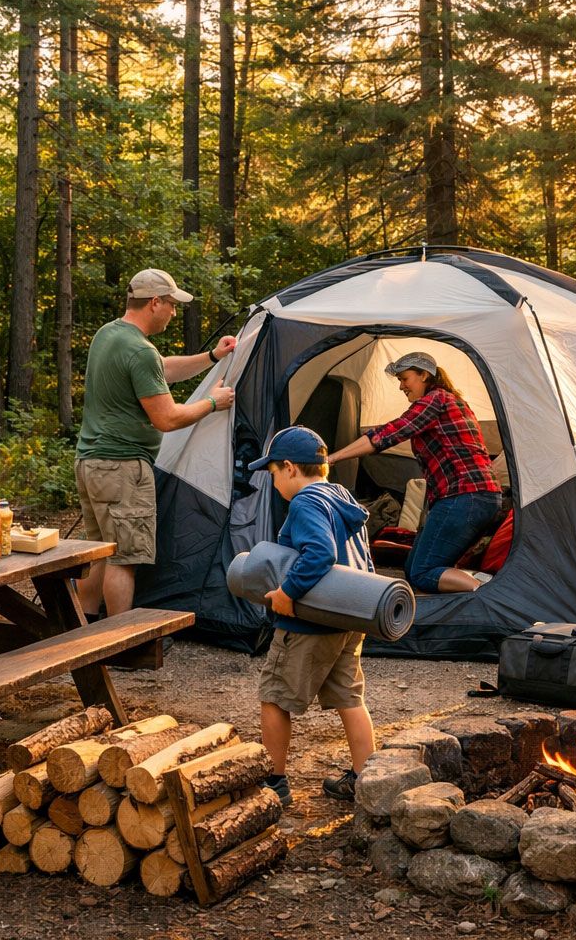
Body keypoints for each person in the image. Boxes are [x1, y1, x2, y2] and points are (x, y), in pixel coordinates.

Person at [75, 268, 237, 618]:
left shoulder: (110, 335)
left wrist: (212, 358)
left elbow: (161, 368)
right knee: (124, 557)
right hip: (122, 469)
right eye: (172, 305)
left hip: (91, 463)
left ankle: (81, 627)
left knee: (98, 550)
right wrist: (213, 402)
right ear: (154, 303)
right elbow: (167, 418)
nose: (174, 313)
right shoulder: (139, 350)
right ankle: (118, 640)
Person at [253, 426, 377, 806]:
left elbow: (319, 553)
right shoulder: (340, 496)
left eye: (273, 473)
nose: (274, 483)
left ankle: (274, 783)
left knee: (274, 698)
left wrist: (288, 593)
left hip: (310, 620)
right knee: (349, 699)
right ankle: (367, 779)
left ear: (290, 468)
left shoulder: (305, 502)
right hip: (349, 616)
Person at [325, 352, 502, 593]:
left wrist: (332, 458)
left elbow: (387, 434)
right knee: (414, 567)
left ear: (424, 375)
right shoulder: (450, 401)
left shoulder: (436, 399)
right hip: (475, 496)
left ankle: (489, 593)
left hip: (466, 496)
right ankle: (477, 585)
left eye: (405, 378)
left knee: (422, 572)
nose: (401, 386)